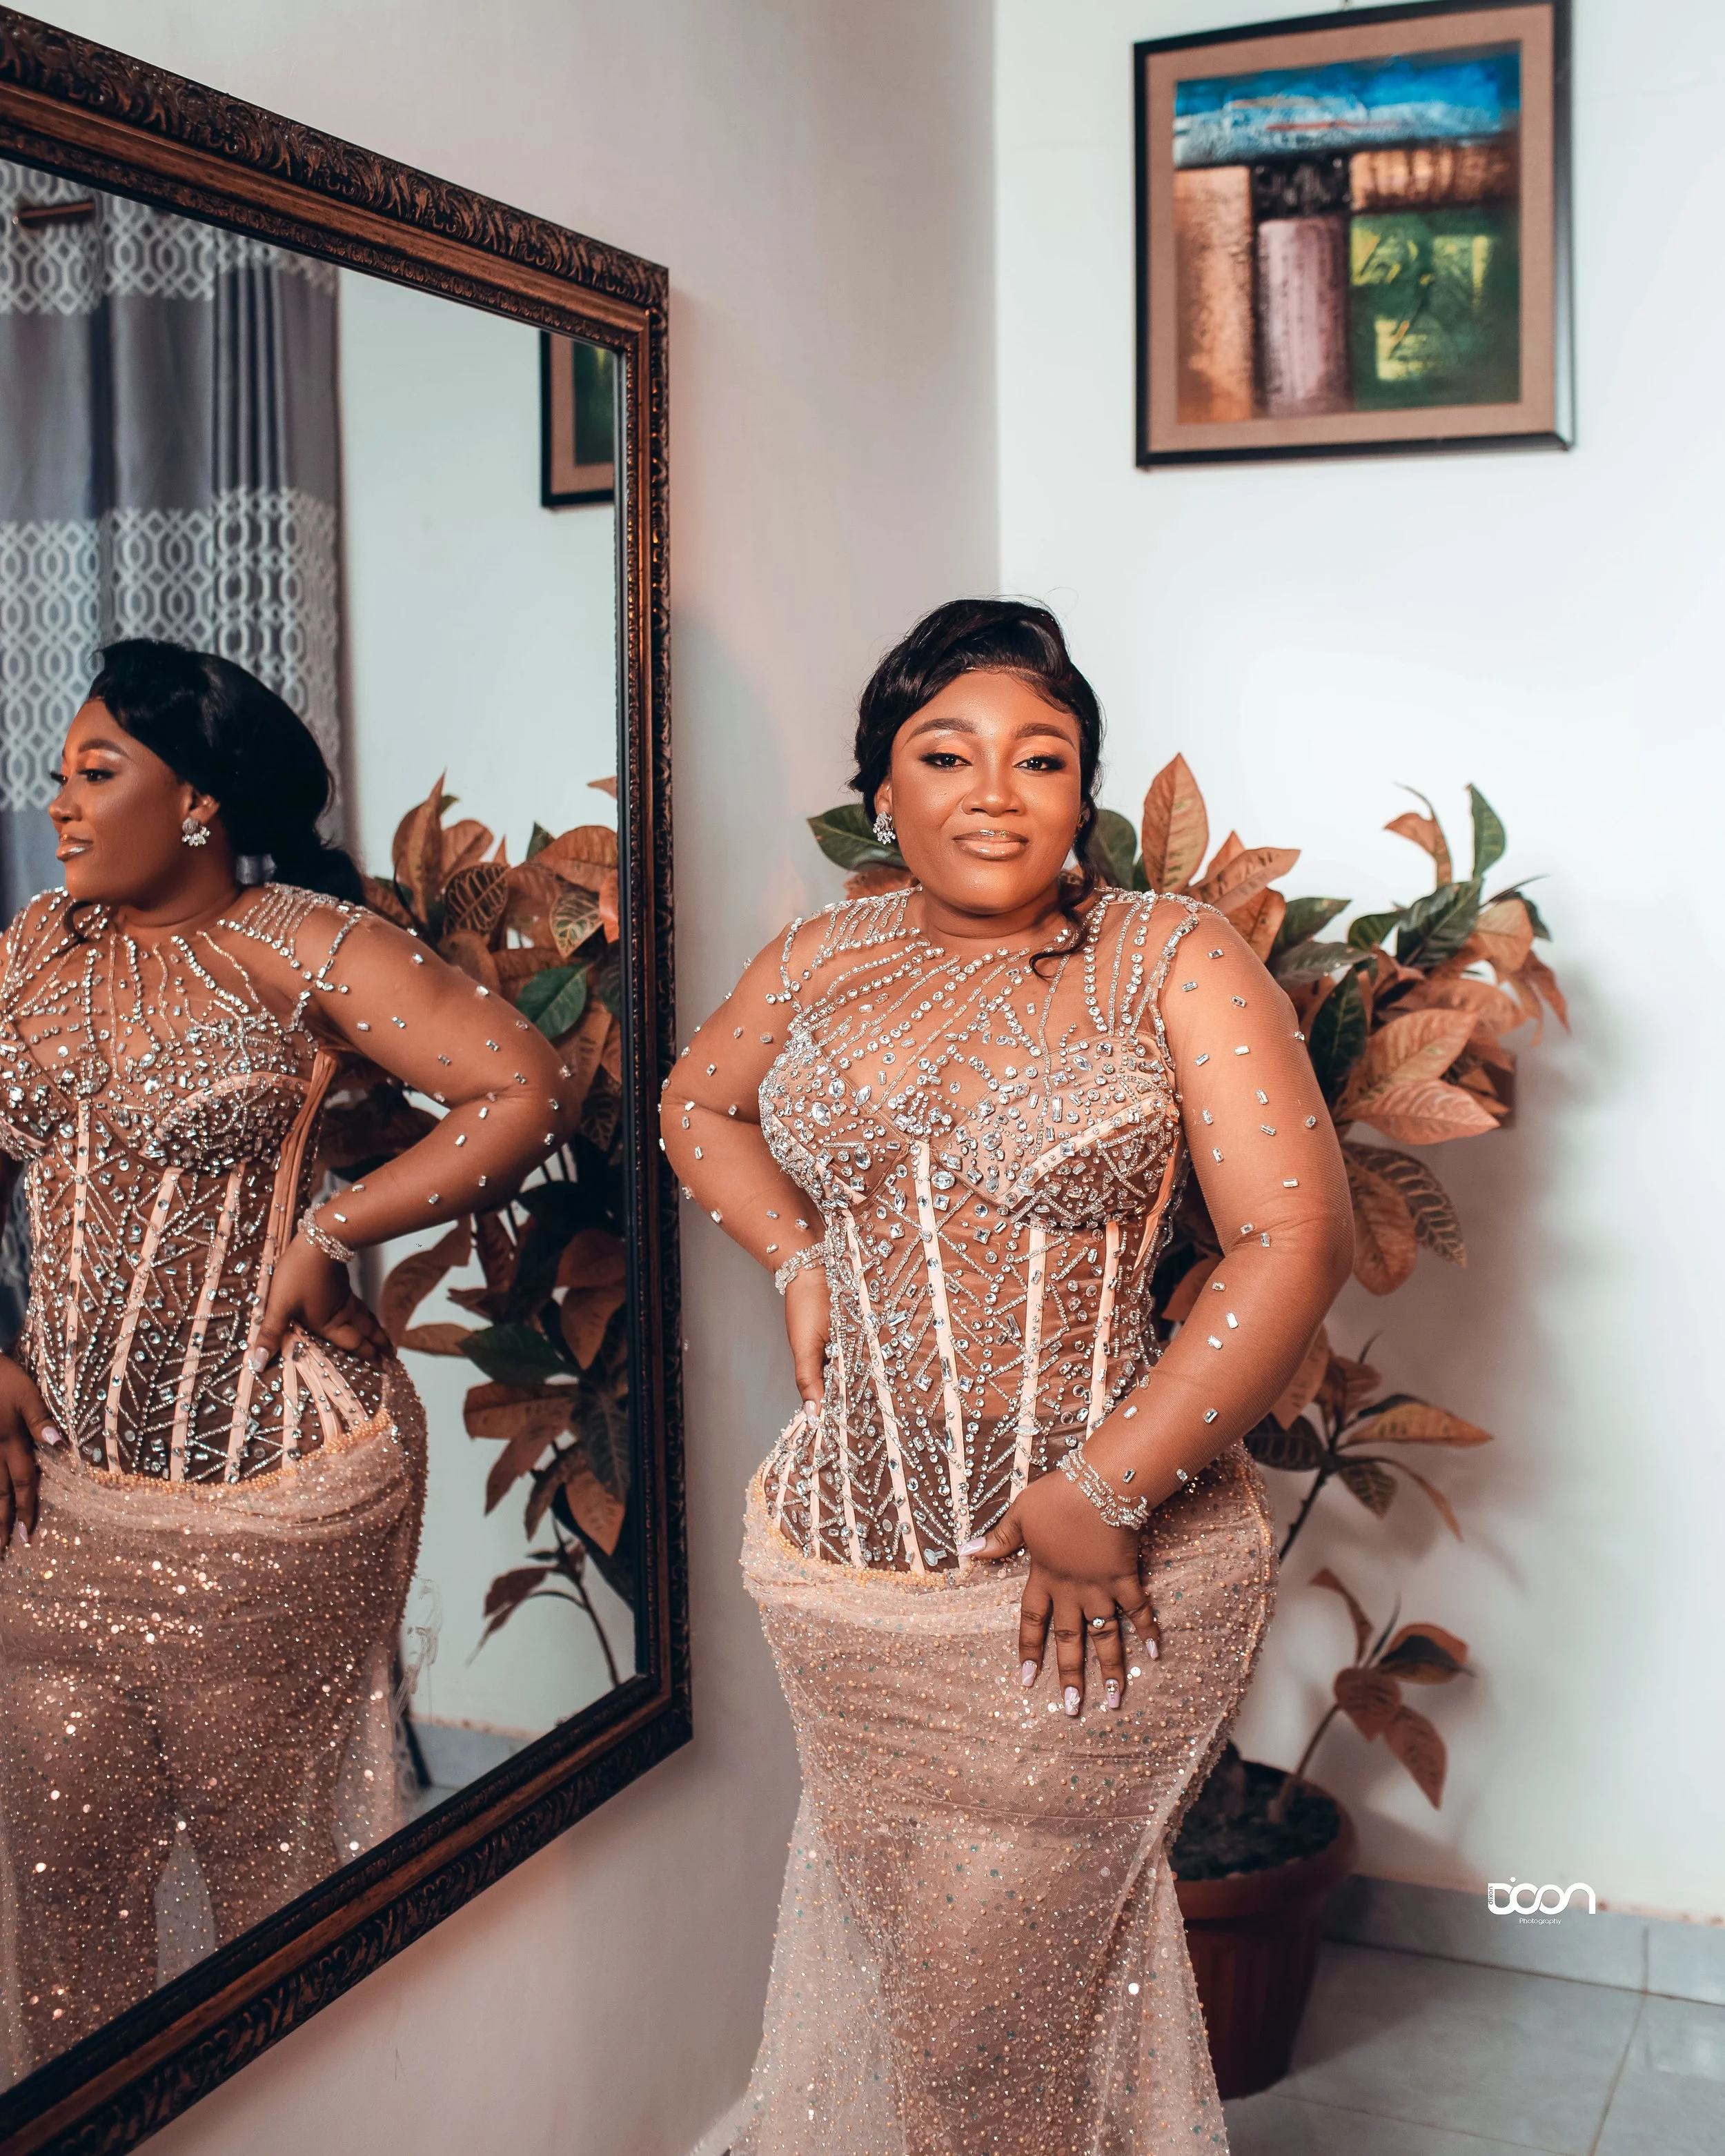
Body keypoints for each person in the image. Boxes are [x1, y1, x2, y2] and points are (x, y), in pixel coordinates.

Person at [662, 599, 1352, 2153]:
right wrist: (797, 1253)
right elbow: (695, 1104)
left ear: (1082, 795)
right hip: (847, 1572)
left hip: (1092, 1583)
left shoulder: (1167, 953)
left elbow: (1294, 1239)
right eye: (945, 754)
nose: (993, 790)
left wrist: (1098, 1491)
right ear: (880, 790)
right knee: (934, 1980)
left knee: (990, 2018)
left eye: (1041, 757)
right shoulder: (819, 957)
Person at [0, 640, 574, 2077]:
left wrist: (338, 1220)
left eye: (96, 771)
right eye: (61, 772)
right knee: (64, 1866)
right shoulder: (29, 950)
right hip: (62, 1497)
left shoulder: (300, 941)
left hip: (274, 1489)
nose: (58, 802)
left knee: (269, 1886)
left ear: (196, 799)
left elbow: (523, 1080)